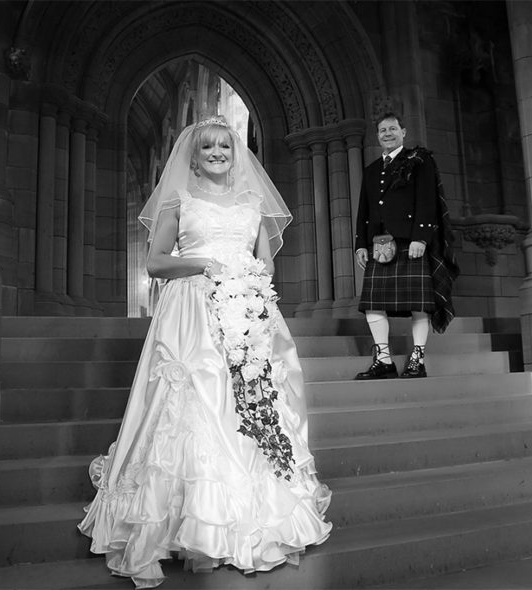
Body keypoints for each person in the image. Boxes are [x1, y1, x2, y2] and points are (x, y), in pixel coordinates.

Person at [78, 116, 331, 588]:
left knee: (249, 405)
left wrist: (249, 290)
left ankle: (242, 519)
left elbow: (266, 265)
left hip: (247, 312)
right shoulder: (179, 200)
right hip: (192, 310)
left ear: (236, 155)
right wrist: (206, 263)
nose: (218, 153)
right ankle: (185, 521)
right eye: (208, 147)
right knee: (193, 406)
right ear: (194, 156)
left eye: (225, 147)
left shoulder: (253, 202)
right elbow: (156, 262)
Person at [353, 112, 458, 379]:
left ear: (404, 132)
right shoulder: (371, 169)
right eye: (381, 131)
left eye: (392, 129)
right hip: (379, 245)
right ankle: (384, 360)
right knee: (373, 304)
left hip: (409, 242)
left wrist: (420, 237)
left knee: (418, 304)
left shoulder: (420, 161)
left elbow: (427, 200)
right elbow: (364, 210)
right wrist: (360, 244)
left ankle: (417, 359)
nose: (386, 134)